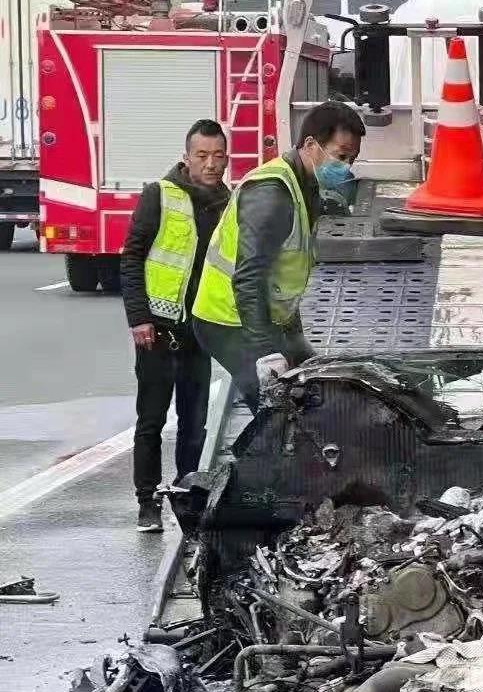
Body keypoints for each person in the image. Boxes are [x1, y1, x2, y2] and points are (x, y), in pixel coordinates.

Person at [193, 101, 365, 412]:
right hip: (227, 320)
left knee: (314, 386)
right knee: (276, 410)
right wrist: (266, 352)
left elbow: (283, 276)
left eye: (351, 159)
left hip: (261, 318)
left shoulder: (305, 184)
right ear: (311, 145)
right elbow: (248, 279)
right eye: (340, 156)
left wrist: (294, 338)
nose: (346, 167)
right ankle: (257, 458)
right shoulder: (272, 195)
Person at [120, 119, 229, 532]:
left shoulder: (227, 203)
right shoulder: (160, 195)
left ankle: (185, 494)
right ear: (187, 157)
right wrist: (139, 318)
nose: (211, 164)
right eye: (202, 155)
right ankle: (147, 502)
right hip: (158, 329)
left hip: (199, 330)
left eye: (218, 156)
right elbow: (131, 258)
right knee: (151, 419)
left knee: (194, 420)